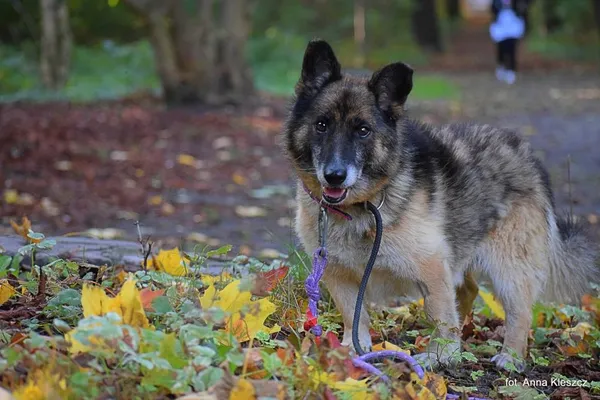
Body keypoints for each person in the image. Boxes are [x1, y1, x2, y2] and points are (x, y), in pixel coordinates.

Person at [489, 0, 527, 84]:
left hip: (513, 26)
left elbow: (522, 7)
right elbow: (492, 10)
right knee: (501, 49)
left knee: (512, 49)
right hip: (500, 27)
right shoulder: (496, 2)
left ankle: (511, 70)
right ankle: (501, 65)